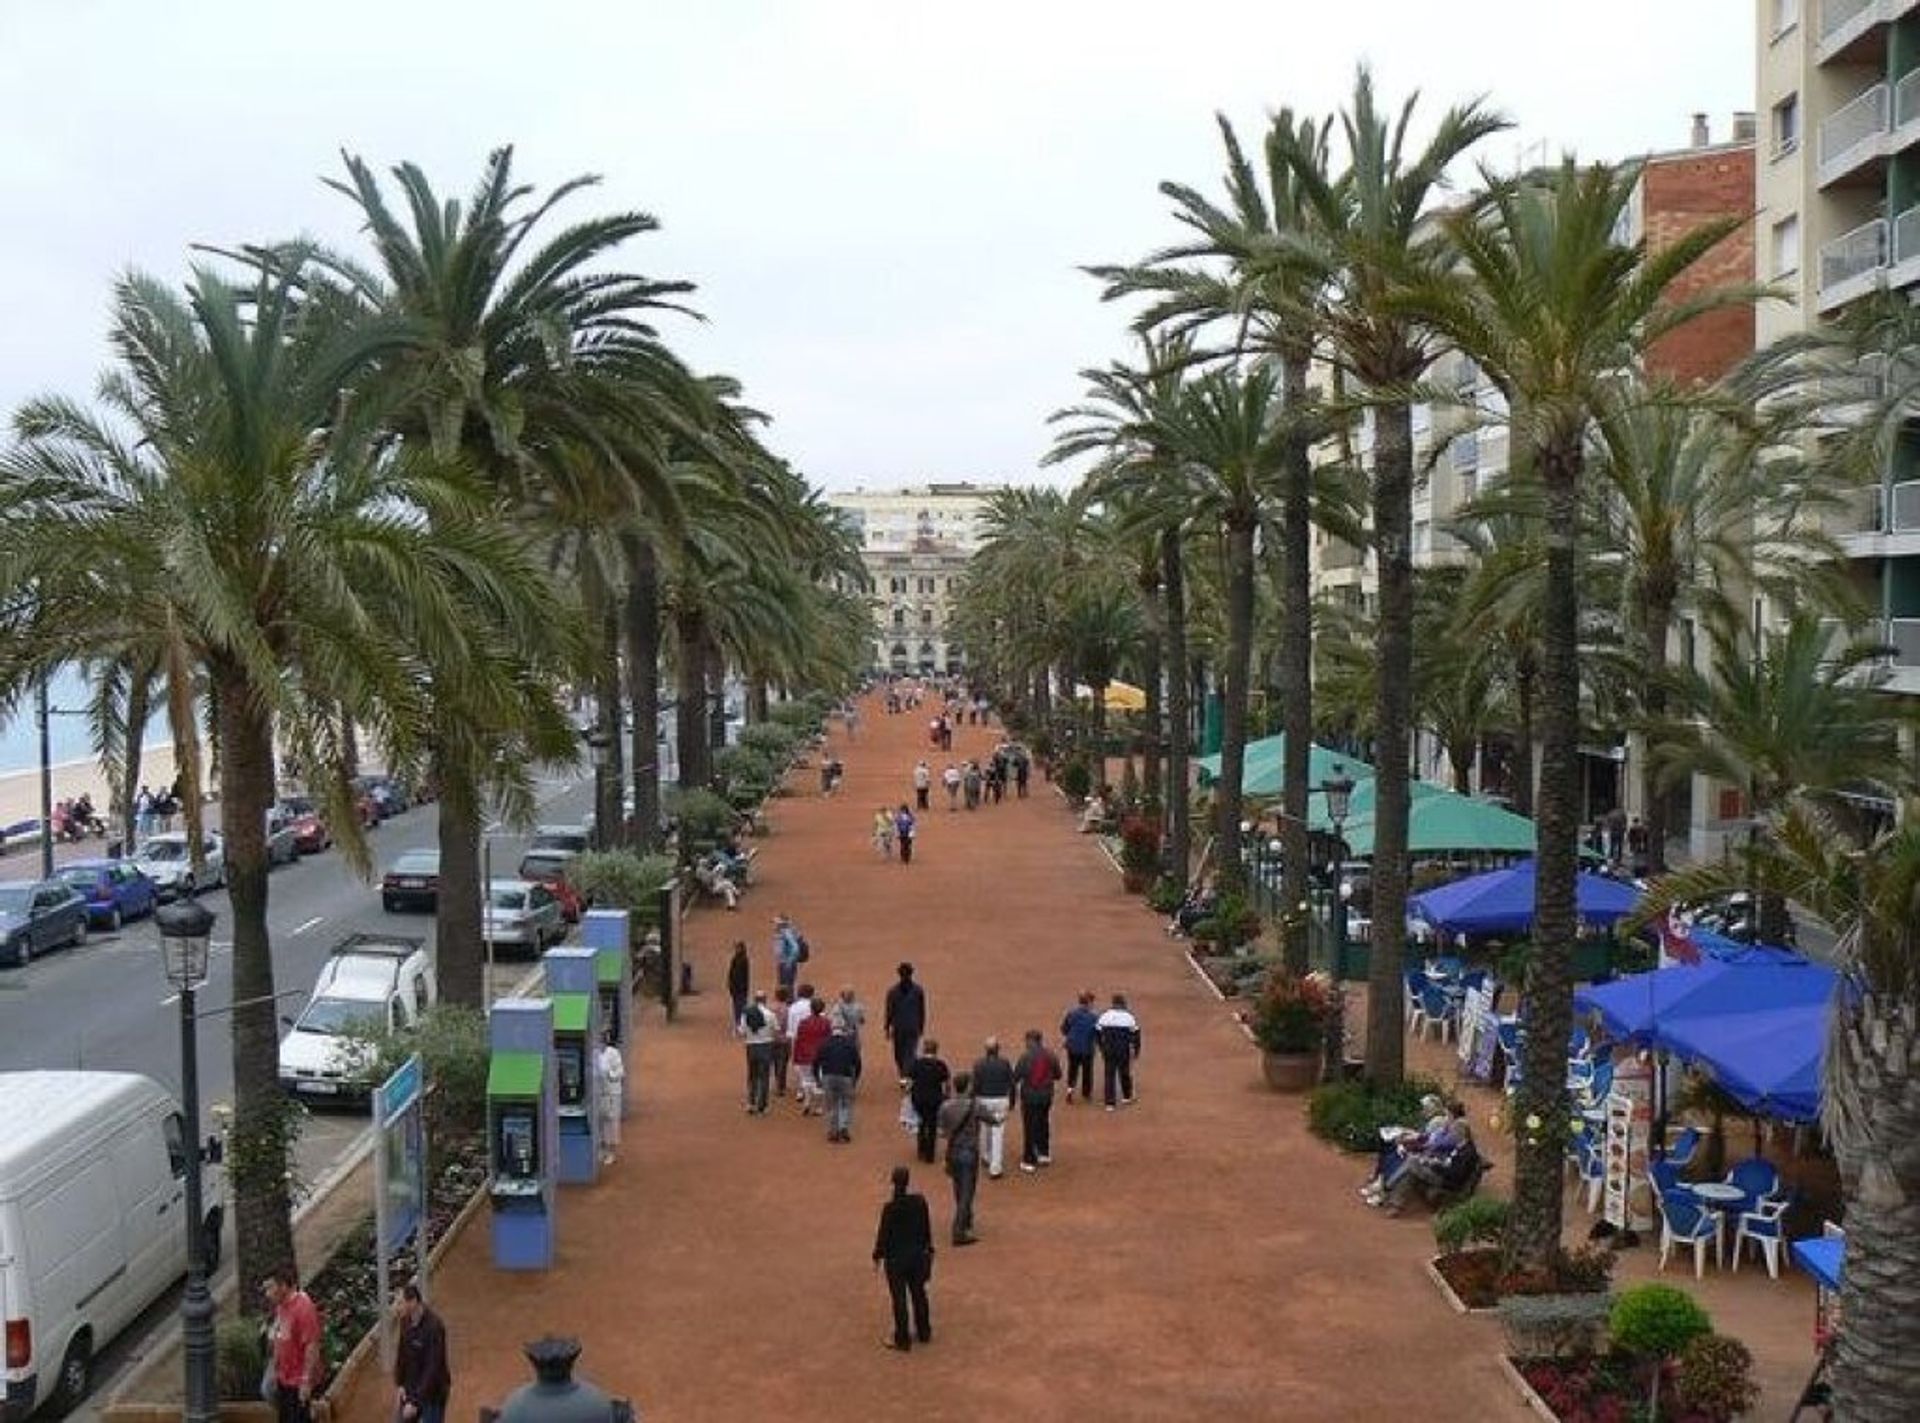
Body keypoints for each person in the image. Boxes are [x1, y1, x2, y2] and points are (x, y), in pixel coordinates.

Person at [872, 1166, 935, 1351]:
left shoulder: (890, 1208)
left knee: (899, 1299)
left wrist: (877, 1255)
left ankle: (902, 1338)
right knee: (919, 1294)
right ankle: (924, 1332)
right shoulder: (919, 1202)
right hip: (917, 1256)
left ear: (893, 1182)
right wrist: (928, 1250)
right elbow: (926, 1229)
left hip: (896, 1260)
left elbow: (883, 1235)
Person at [1377, 1103, 1478, 1216]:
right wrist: (1435, 1163)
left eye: (1455, 1131)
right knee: (1411, 1173)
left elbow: (1455, 1174)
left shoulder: (1467, 1152)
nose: (1453, 1134)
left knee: (1412, 1162)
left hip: (1446, 1181)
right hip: (1442, 1173)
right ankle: (1396, 1205)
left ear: (1462, 1133)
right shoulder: (1461, 1146)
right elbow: (1449, 1162)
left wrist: (1436, 1165)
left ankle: (1387, 1187)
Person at [262, 1267, 323, 1423]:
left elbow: (312, 1345)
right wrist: (276, 1367)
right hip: (285, 1378)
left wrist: (306, 1381)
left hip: (297, 1380)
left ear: (283, 1286)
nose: (267, 1294)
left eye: (270, 1288)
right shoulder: (281, 1305)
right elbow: (280, 1338)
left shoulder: (303, 1308)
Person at [1359, 1093, 1445, 1203]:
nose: (1423, 1111)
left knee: (1395, 1157)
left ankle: (1384, 1190)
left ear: (1432, 1108)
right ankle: (1380, 1180)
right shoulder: (1432, 1120)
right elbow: (1423, 1136)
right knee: (1389, 1149)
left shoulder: (1437, 1122)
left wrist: (1406, 1142)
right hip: (1421, 1151)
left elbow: (1427, 1141)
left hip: (1426, 1155)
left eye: (1425, 1108)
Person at [391, 1282, 451, 1423]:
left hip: (433, 1392)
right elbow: (402, 1354)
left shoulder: (435, 1327)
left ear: (412, 1302)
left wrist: (416, 1402)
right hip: (411, 1387)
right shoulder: (405, 1321)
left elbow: (433, 1367)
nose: (396, 1307)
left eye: (400, 1303)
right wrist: (400, 1384)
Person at [937, 1071, 982, 1245]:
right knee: (967, 1192)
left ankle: (966, 1218)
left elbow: (942, 1132)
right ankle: (959, 1228)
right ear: (968, 1086)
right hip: (969, 1151)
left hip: (953, 1151)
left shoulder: (946, 1106)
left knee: (958, 1187)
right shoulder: (974, 1106)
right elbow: (992, 1119)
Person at [1012, 1028, 1063, 1171]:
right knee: (1043, 1122)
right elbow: (1058, 1075)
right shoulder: (1051, 1055)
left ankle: (1029, 1159)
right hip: (1046, 1096)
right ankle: (1043, 1153)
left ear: (1030, 1041)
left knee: (1029, 1126)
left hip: (1029, 1096)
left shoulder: (1025, 1057)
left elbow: (1016, 1077)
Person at [969, 1037, 1015, 1180]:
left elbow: (975, 1085)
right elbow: (1011, 1083)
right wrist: (1012, 1101)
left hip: (983, 1099)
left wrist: (973, 1101)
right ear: (998, 1049)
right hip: (1001, 1099)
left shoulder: (979, 1064)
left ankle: (986, 1155)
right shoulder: (1005, 1063)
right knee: (997, 1133)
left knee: (984, 1129)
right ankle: (995, 1167)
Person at [815, 1021, 862, 1143]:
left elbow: (816, 1062)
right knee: (845, 1104)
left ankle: (833, 1131)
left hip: (828, 1076)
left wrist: (817, 1079)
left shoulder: (824, 1043)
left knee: (831, 1105)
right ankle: (843, 1127)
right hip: (845, 1077)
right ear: (843, 1031)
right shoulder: (850, 1044)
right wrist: (855, 1079)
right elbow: (857, 1064)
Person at [906, 1039, 951, 1164]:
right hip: (934, 1099)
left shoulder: (917, 1063)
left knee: (921, 1122)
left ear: (924, 1050)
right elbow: (947, 1083)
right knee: (932, 1125)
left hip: (918, 1099)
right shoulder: (941, 1065)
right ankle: (930, 1155)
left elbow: (909, 1081)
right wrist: (947, 1096)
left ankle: (921, 1149)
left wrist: (908, 1093)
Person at [1096, 993, 1141, 1110]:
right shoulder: (1129, 1017)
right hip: (1123, 1050)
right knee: (1124, 1073)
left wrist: (1101, 1046)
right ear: (1123, 1004)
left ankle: (1109, 1103)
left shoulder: (1105, 1016)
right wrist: (1136, 1050)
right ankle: (1127, 1096)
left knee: (1109, 1075)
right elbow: (1136, 1035)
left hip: (1109, 1049)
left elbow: (1097, 1032)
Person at [884, 962, 928, 1081]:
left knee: (906, 1053)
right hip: (907, 1027)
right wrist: (921, 1026)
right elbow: (922, 1010)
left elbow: (889, 1011)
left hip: (903, 1027)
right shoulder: (917, 990)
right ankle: (905, 1074)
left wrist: (887, 1027)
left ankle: (905, 1075)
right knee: (902, 1054)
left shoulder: (893, 991)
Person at [738, 990, 779, 1115]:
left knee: (752, 1075)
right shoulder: (770, 1014)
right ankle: (762, 1105)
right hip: (766, 1046)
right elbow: (776, 1030)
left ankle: (751, 1103)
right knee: (764, 1076)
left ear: (755, 1000)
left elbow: (742, 1031)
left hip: (751, 1046)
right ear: (765, 1000)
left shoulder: (746, 1014)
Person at [792, 995, 830, 1115]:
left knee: (806, 1080)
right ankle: (818, 1107)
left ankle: (807, 1103)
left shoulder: (803, 1023)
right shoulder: (826, 1023)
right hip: (821, 1057)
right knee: (819, 1081)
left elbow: (799, 1040)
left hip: (805, 1055)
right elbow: (829, 1040)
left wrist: (796, 1056)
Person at [1059, 991, 1100, 1104]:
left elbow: (1064, 1029)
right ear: (1089, 1002)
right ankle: (1086, 1094)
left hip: (1072, 1047)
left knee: (1072, 1069)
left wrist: (1071, 1036)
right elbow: (1097, 1033)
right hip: (1087, 1048)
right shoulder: (1094, 1017)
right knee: (1087, 1071)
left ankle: (1070, 1091)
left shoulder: (1071, 1013)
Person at [595, 1031, 625, 1165]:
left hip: (612, 1092)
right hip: (598, 1093)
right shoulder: (594, 1053)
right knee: (599, 1120)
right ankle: (600, 1149)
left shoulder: (613, 1053)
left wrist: (609, 1074)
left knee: (611, 1121)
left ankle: (611, 1151)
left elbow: (620, 1072)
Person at [769, 984, 794, 1100]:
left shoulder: (770, 1008)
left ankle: (778, 1083)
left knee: (775, 1061)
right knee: (782, 1063)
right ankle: (780, 1086)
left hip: (771, 1038)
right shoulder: (788, 1010)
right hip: (783, 1039)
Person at [772, 914, 804, 993]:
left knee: (786, 987)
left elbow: (795, 948)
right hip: (783, 963)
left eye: (777, 923)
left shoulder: (786, 933)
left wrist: (789, 962)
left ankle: (788, 1002)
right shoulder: (782, 933)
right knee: (784, 987)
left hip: (786, 963)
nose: (775, 926)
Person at [725, 941, 751, 1030]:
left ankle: (742, 1023)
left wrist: (745, 988)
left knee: (742, 1006)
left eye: (738, 948)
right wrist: (730, 984)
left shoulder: (744, 960)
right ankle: (737, 1022)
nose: (737, 950)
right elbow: (731, 973)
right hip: (735, 988)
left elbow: (745, 976)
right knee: (736, 1006)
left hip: (741, 988)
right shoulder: (734, 959)